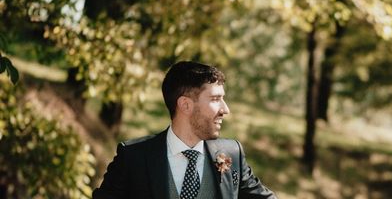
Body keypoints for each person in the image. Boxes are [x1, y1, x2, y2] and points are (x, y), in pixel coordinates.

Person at [93, 61, 277, 199]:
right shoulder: (133, 158)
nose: (225, 109)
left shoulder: (232, 154)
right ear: (185, 105)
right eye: (215, 99)